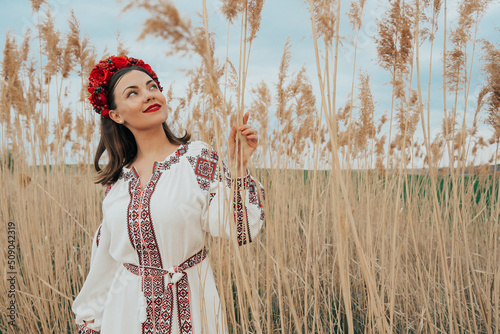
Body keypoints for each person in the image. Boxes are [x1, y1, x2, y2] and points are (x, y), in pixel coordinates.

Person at [72, 55, 265, 334]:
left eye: (152, 87)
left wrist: (237, 169)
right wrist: (90, 320)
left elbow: (240, 230)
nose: (149, 96)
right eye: (133, 93)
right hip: (126, 312)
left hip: (191, 307)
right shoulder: (117, 182)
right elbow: (107, 260)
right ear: (116, 114)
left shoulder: (197, 158)